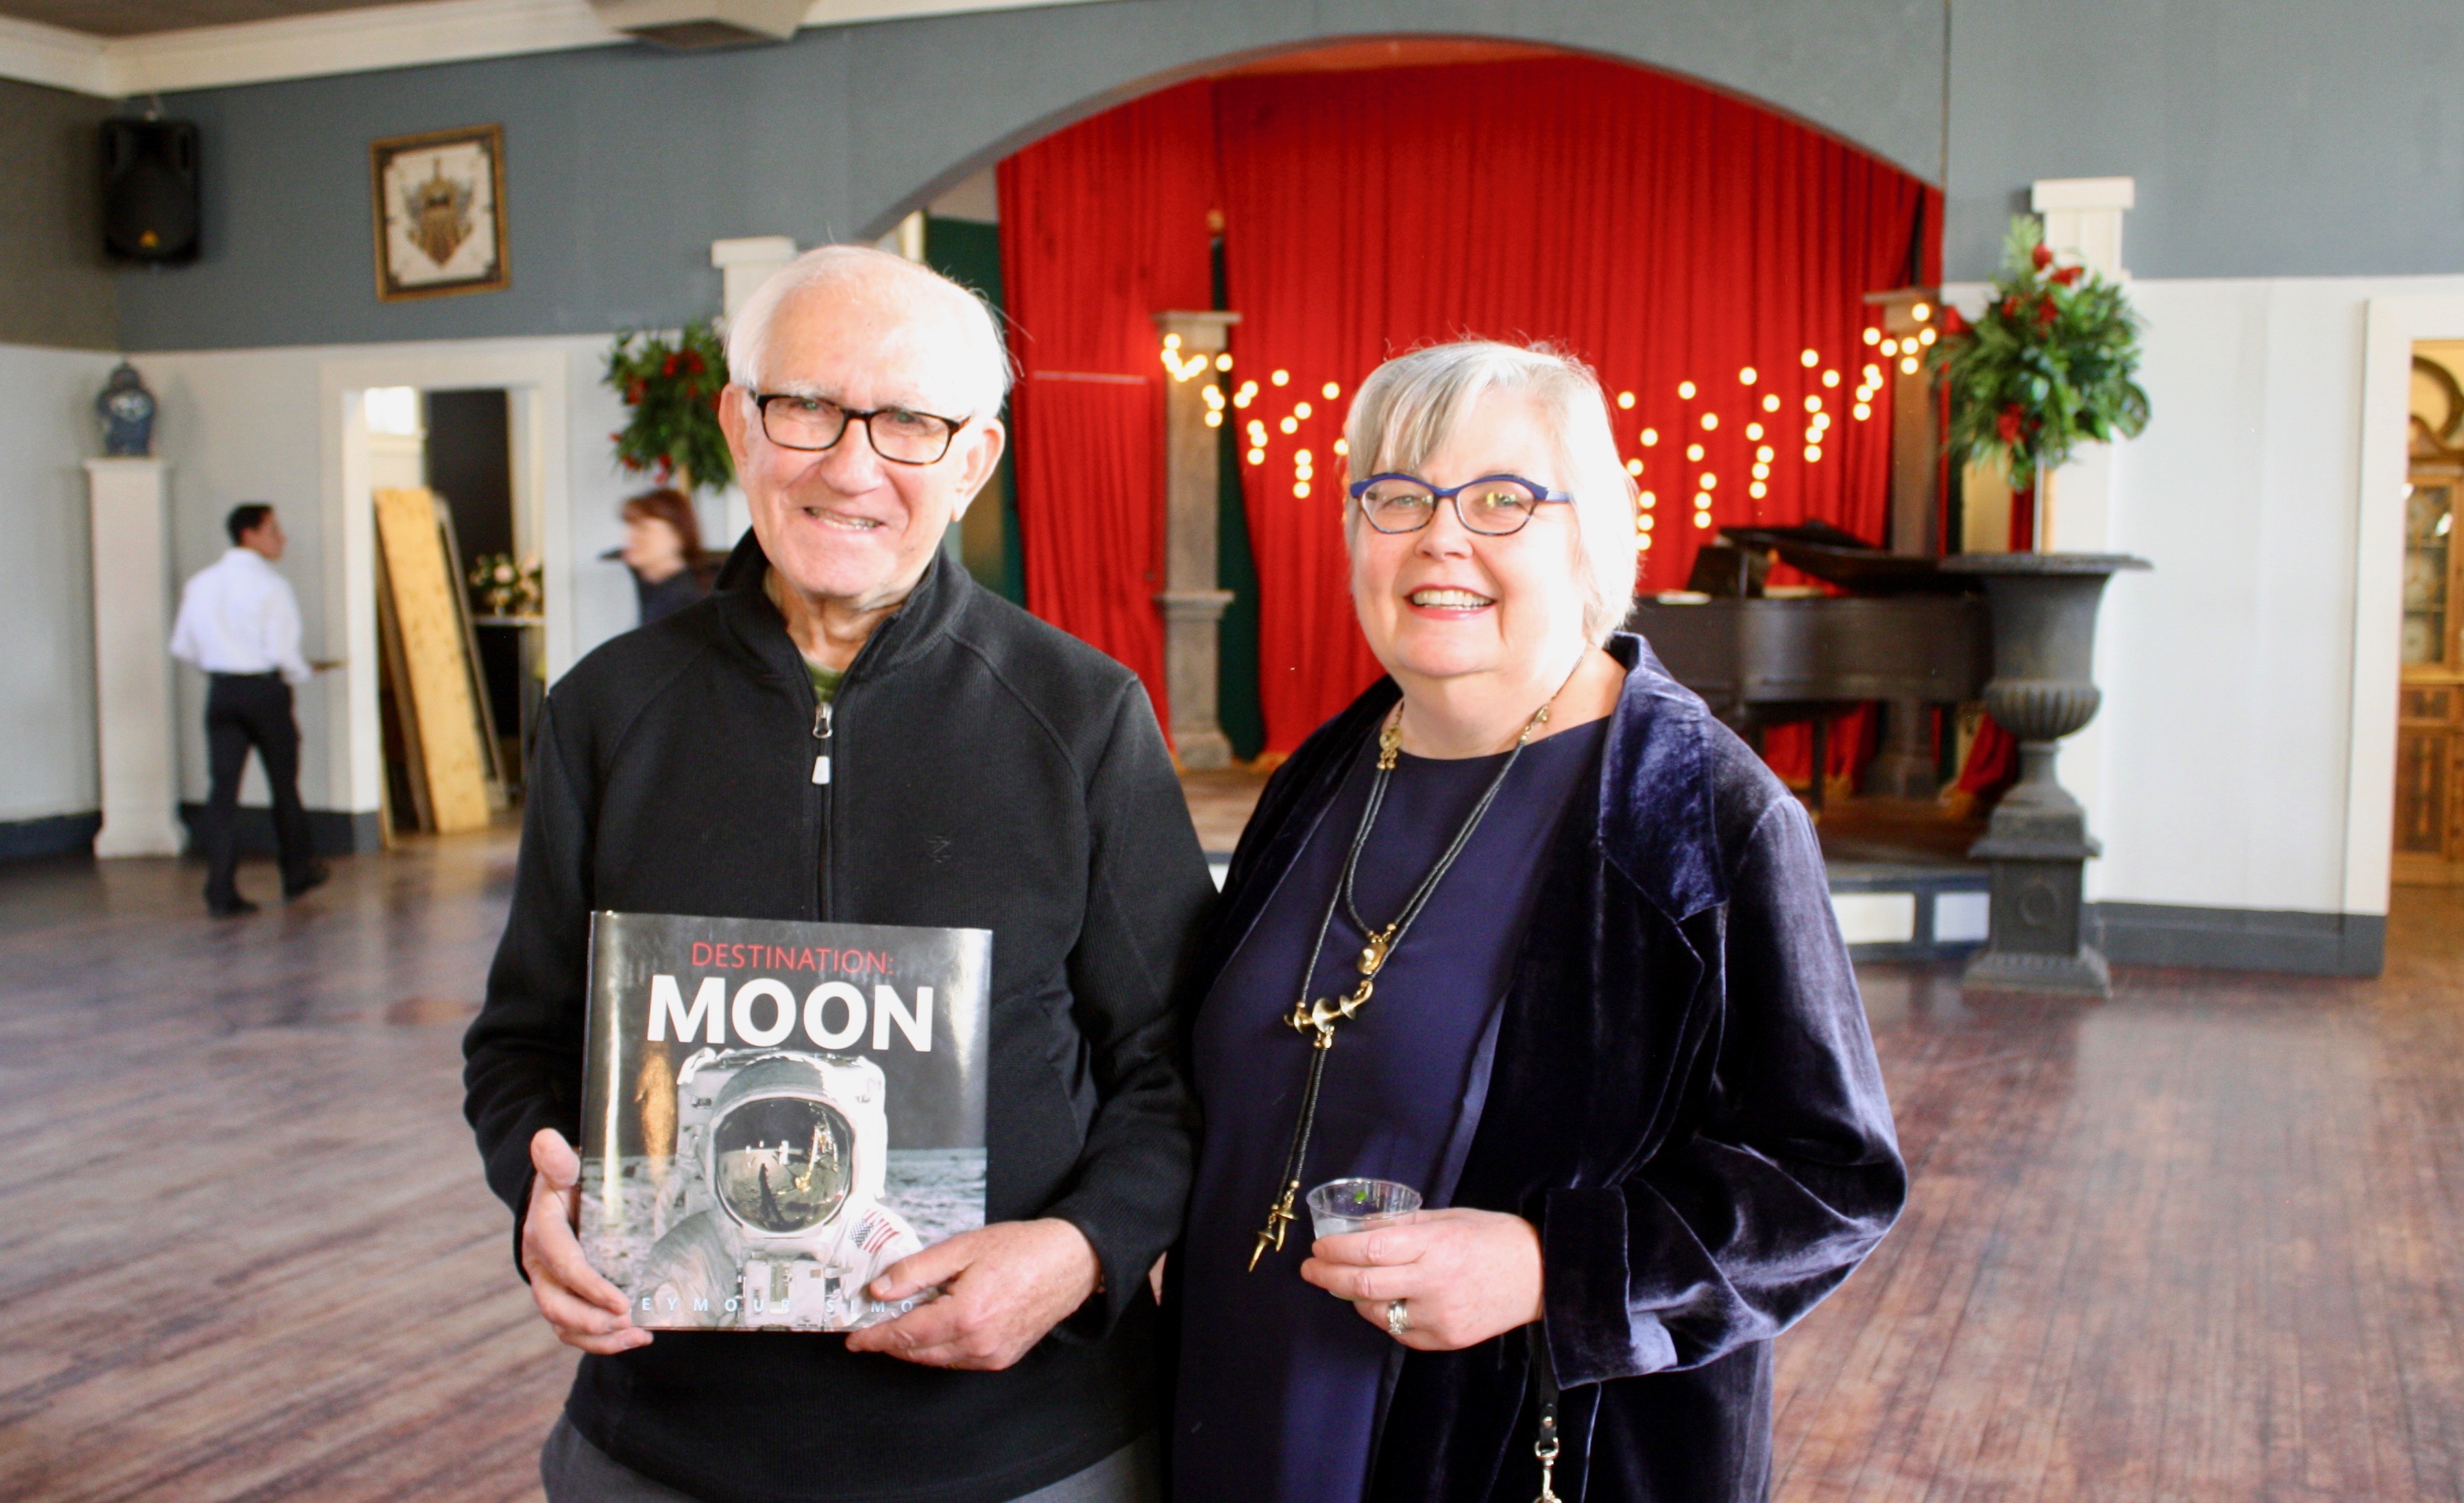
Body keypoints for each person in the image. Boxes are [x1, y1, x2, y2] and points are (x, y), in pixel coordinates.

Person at [463, 245, 1215, 1503]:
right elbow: (523, 1043)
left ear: (974, 458)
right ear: (736, 424)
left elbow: (1182, 1060)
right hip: (662, 1446)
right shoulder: (607, 711)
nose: (852, 465)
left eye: (911, 423)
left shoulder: (1082, 718)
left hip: (1023, 1447)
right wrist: (537, 1197)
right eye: (805, 406)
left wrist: (1084, 1253)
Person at [1168, 341, 1905, 1502]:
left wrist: (1552, 1265)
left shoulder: (1702, 811)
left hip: (1515, 1445)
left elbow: (1832, 1179)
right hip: (1242, 1408)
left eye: (1501, 499)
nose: (1439, 538)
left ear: (1589, 534)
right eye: (1397, 496)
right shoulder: (1322, 773)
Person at [168, 503, 330, 916]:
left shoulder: (202, 583)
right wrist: (301, 672)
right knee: (284, 785)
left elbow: (182, 647)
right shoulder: (271, 586)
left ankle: (219, 890)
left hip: (221, 692)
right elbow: (284, 652)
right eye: (273, 530)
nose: (282, 538)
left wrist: (223, 668)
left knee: (221, 794)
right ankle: (297, 870)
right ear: (249, 534)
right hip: (264, 692)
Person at [620, 487, 714, 625]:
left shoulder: (682, 602)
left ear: (678, 535)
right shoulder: (656, 589)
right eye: (631, 527)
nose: (629, 537)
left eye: (644, 529)